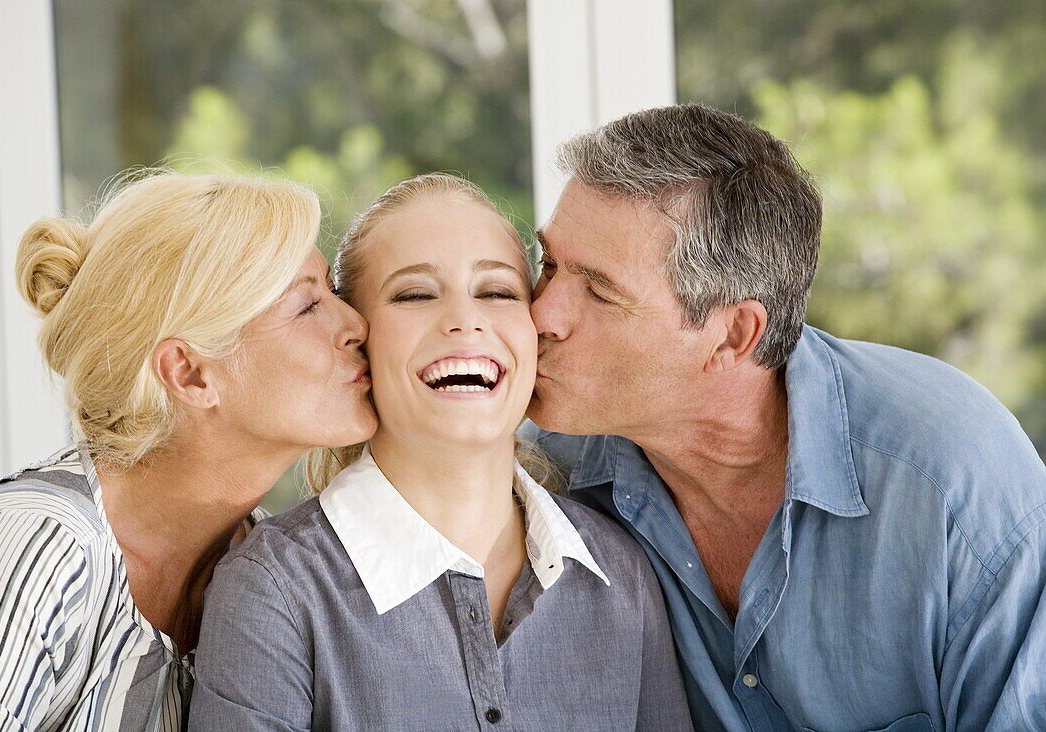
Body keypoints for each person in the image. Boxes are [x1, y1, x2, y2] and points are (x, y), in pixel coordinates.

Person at [520, 103, 1046, 730]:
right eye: (548, 264)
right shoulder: (543, 470)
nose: (540, 314)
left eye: (600, 290)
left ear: (733, 335)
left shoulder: (954, 486)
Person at [189, 173, 692, 731]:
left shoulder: (621, 575)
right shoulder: (272, 591)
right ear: (360, 341)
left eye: (498, 292)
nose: (464, 319)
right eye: (414, 295)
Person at [0, 171, 377, 731]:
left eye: (334, 294)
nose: (355, 324)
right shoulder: (35, 548)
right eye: (305, 306)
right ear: (191, 373)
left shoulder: (269, 572)